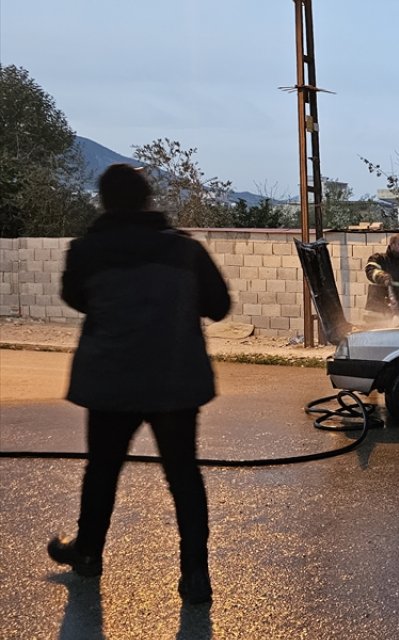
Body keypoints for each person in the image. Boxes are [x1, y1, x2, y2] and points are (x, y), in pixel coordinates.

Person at [47, 164, 231, 606]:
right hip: (175, 380)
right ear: (149, 199)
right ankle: (195, 576)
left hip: (111, 379)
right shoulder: (186, 251)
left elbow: (74, 298)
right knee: (184, 476)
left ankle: (88, 554)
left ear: (105, 202)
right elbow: (220, 306)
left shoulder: (86, 250)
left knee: (102, 471)